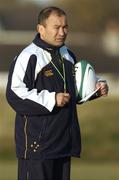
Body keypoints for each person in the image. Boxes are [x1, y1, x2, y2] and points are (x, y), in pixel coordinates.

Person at [6, 6, 108, 180]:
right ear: (41, 29)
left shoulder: (68, 55)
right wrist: (52, 98)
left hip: (63, 145)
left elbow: (73, 94)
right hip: (37, 149)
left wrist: (95, 90)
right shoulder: (29, 56)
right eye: (57, 27)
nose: (62, 32)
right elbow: (14, 94)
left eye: (65, 27)